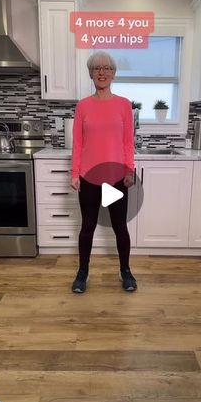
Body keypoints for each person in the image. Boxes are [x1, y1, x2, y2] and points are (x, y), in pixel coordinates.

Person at [70, 50, 137, 293]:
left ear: (113, 73)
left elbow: (128, 142)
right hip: (89, 177)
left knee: (120, 226)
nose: (102, 72)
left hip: (116, 178)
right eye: (97, 68)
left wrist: (130, 169)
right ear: (90, 73)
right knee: (87, 226)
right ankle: (82, 272)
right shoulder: (83, 106)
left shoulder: (124, 105)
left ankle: (126, 271)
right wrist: (74, 172)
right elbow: (78, 143)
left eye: (107, 68)